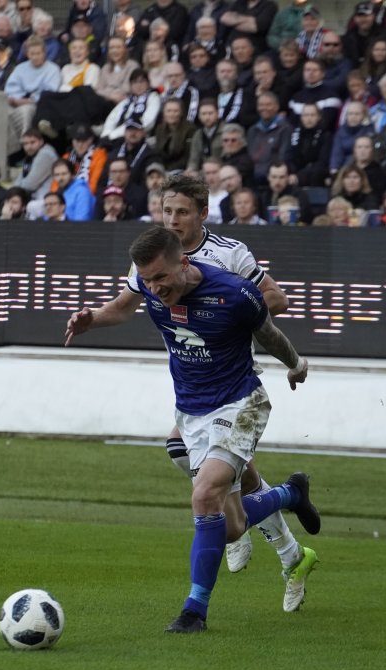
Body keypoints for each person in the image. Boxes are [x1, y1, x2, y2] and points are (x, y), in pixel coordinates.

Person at [65, 174, 320, 615]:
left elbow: (274, 301)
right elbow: (124, 306)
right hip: (194, 392)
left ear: (202, 213)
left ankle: (223, 581)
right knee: (201, 471)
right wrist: (92, 319)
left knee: (210, 490)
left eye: (182, 211)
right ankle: (284, 519)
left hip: (235, 384)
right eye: (167, 210)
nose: (173, 219)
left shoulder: (228, 257)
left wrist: (227, 310)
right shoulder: (150, 261)